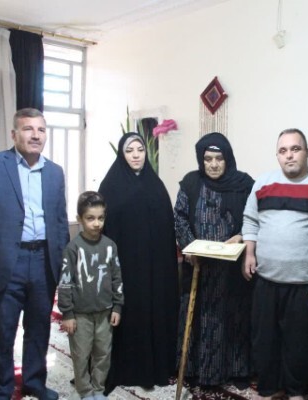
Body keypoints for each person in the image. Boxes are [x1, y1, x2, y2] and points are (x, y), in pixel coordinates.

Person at [0, 108, 69, 400]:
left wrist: (63, 260)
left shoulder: (55, 172)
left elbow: (59, 220)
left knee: (39, 329)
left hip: (43, 262)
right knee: (2, 332)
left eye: (41, 130)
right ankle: (0, 391)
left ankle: (34, 382)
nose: (35, 135)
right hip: (5, 262)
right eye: (28, 129)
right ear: (14, 134)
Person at [242, 128, 308, 400]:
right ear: (277, 155)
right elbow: (250, 220)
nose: (289, 155)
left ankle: (296, 391)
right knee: (265, 339)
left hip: (306, 282)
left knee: (300, 342)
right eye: (283, 151)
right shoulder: (262, 183)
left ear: (307, 152)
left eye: (295, 149)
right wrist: (249, 253)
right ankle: (270, 387)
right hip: (266, 279)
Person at [99, 132, 179, 393]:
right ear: (121, 154)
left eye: (140, 150)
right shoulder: (110, 186)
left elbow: (167, 228)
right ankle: (128, 366)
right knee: (128, 313)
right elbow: (103, 229)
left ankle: (155, 365)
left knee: (152, 309)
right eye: (129, 150)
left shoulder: (156, 186)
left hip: (154, 267)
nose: (136, 155)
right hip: (125, 267)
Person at [173, 132, 254, 388]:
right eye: (208, 159)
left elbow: (255, 218)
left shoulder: (243, 184)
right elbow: (180, 216)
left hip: (231, 268)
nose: (214, 164)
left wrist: (241, 236)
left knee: (233, 318)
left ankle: (235, 370)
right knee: (201, 316)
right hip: (200, 266)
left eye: (219, 159)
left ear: (227, 158)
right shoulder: (190, 182)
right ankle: (197, 371)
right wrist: (189, 247)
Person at [58, 191, 124, 400]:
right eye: (90, 218)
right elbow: (65, 282)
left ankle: (98, 389)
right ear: (79, 219)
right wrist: (67, 313)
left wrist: (117, 306)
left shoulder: (110, 246)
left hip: (105, 312)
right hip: (80, 315)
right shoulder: (73, 248)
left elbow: (117, 278)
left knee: (103, 353)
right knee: (81, 355)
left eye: (100, 218)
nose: (96, 223)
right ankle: (85, 391)